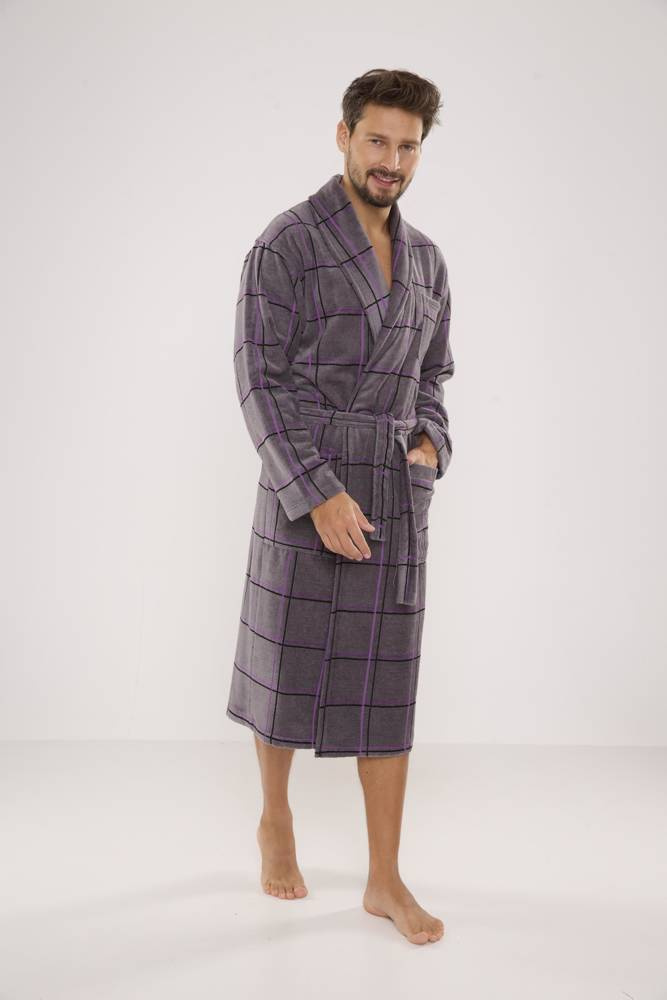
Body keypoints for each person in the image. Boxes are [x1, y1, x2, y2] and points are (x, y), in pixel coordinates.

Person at [226, 68, 454, 945]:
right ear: (343, 136)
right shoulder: (285, 243)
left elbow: (434, 375)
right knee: (284, 660)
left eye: (407, 146)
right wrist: (314, 492)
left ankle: (384, 879)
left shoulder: (427, 260)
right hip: (308, 472)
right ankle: (275, 816)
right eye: (376, 140)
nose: (390, 160)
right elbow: (258, 379)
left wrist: (430, 443)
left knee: (387, 681)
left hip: (393, 487)